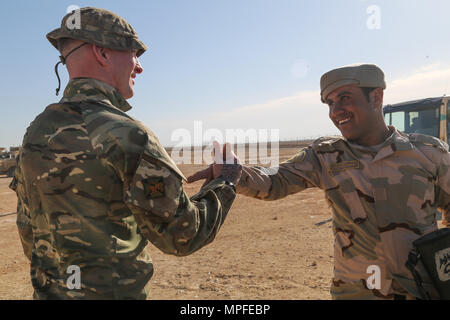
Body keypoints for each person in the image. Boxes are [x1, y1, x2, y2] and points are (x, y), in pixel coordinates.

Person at [10, 7, 241, 300]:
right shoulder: (127, 135)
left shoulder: (36, 132)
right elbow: (183, 235)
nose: (139, 67)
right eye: (134, 54)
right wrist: (227, 180)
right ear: (102, 53)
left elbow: (28, 232)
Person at [189, 63, 450, 299]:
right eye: (329, 103)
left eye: (344, 98)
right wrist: (234, 172)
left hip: (423, 291)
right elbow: (275, 181)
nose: (336, 111)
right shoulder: (325, 156)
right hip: (356, 294)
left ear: (377, 97)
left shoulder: (429, 153)